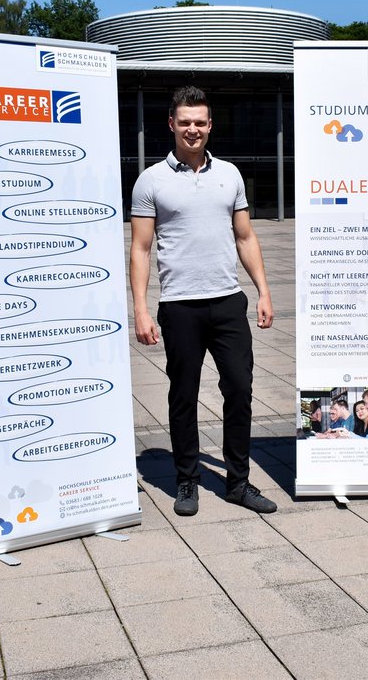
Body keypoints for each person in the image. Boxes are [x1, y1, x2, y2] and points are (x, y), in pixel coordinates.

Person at [130, 86, 277, 517]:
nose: (193, 129)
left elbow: (246, 236)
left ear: (210, 125)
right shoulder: (151, 180)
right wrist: (141, 308)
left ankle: (237, 482)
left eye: (200, 122)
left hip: (228, 302)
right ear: (171, 124)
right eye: (185, 122)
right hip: (179, 307)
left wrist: (263, 291)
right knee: (184, 395)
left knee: (240, 389)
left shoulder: (229, 174)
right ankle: (187, 479)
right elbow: (140, 248)